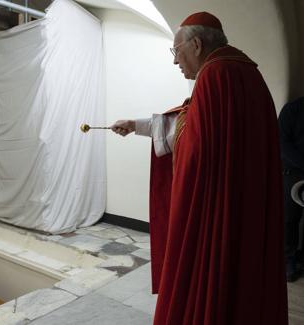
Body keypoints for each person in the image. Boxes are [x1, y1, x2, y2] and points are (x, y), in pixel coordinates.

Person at [111, 12, 288, 325]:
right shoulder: (249, 73)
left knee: (211, 281)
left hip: (216, 209)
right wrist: (137, 125)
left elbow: (194, 146)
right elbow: (194, 127)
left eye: (176, 52)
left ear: (195, 45)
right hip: (246, 204)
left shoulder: (214, 76)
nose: (175, 61)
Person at [279, 97, 304, 282]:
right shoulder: (292, 109)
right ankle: (289, 259)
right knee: (289, 218)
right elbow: (282, 143)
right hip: (293, 172)